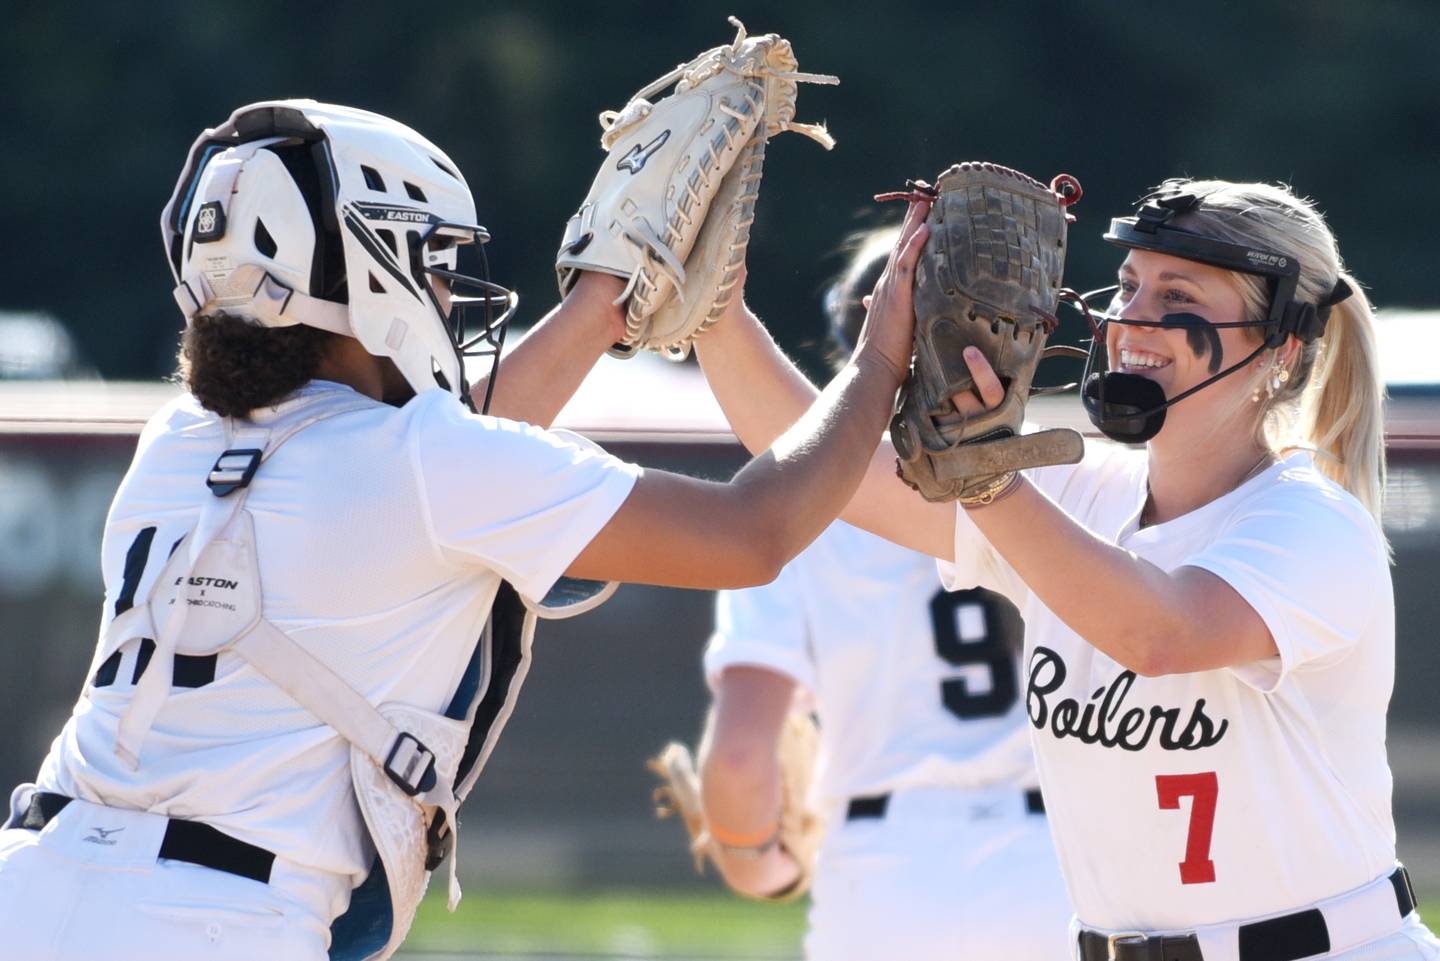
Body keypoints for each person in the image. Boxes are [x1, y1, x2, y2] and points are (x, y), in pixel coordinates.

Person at [0, 100, 930, 961]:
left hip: (31, 881)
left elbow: (437, 456)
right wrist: (882, 357)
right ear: (367, 270)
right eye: (431, 264)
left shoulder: (177, 441)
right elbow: (752, 532)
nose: (444, 294)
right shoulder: (426, 461)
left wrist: (602, 303)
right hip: (214, 921)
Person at [694, 178, 1440, 961]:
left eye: (1176, 294)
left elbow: (1161, 633)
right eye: (1127, 286)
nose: (1130, 319)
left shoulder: (1311, 521)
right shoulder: (1080, 492)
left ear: (1282, 344)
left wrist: (984, 476)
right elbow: (817, 460)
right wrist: (716, 309)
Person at [695, 225, 1072, 960]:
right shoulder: (1063, 482)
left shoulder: (797, 504)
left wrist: (758, 863)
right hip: (1055, 859)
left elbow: (741, 759)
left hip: (884, 867)